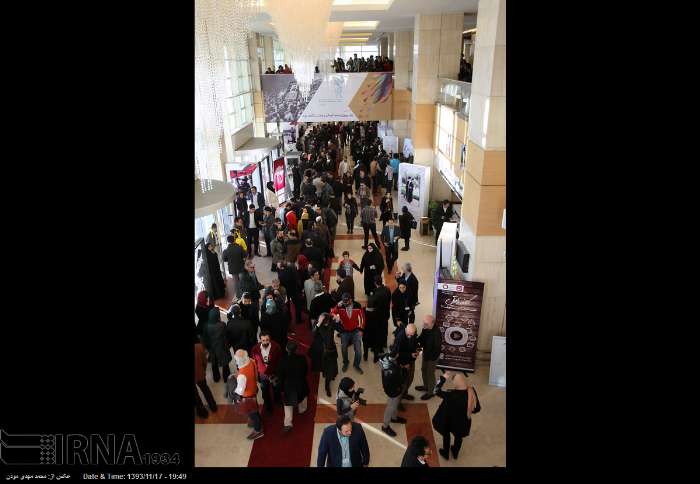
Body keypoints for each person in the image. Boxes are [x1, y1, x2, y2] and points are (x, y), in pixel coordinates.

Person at [432, 372, 481, 460]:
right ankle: (455, 452)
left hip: (447, 420)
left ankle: (445, 453)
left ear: (456, 384)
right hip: (462, 422)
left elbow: (435, 390)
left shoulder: (450, 395)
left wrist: (442, 378)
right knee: (458, 436)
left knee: (446, 435)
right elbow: (477, 409)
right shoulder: (471, 391)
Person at [229, 350, 264, 440]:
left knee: (252, 413)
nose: (236, 361)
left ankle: (258, 430)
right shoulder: (251, 361)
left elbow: (240, 390)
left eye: (236, 360)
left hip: (247, 396)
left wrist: (236, 398)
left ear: (240, 360)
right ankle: (258, 421)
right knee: (255, 408)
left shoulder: (242, 375)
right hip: (254, 389)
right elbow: (256, 374)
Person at [275, 341, 308, 432]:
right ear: (296, 349)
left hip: (288, 386)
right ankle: (302, 409)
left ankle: (288, 422)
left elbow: (280, 376)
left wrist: (280, 388)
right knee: (302, 397)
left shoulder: (282, 361)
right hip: (301, 383)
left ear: (286, 349)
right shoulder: (302, 358)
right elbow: (305, 370)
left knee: (288, 404)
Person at [330, 292, 365, 374]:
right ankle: (346, 362)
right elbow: (331, 313)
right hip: (344, 331)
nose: (345, 303)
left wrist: (361, 330)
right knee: (343, 349)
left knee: (359, 350)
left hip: (356, 331)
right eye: (343, 302)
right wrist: (336, 307)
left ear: (351, 300)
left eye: (346, 302)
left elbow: (362, 318)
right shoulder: (340, 306)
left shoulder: (357, 305)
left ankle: (356, 365)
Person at [251, 331, 283, 415]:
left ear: (270, 339)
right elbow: (254, 362)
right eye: (263, 340)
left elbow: (280, 360)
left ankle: (277, 401)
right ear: (260, 340)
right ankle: (268, 406)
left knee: (276, 389)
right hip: (263, 375)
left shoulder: (276, 347)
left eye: (267, 340)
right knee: (265, 392)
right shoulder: (255, 349)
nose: (265, 342)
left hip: (274, 373)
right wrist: (256, 375)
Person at [310, 312, 339, 397]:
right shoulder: (318, 325)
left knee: (332, 367)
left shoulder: (331, 323)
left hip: (331, 349)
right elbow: (313, 334)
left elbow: (341, 329)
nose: (327, 324)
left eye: (328, 322)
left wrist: (338, 321)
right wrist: (319, 323)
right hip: (323, 351)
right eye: (325, 322)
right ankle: (327, 386)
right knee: (327, 370)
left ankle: (330, 377)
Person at [389, 323, 419, 402]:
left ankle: (404, 394)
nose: (411, 337)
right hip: (403, 364)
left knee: (409, 380)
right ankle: (398, 402)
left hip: (410, 361)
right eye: (409, 335)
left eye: (412, 335)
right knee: (402, 383)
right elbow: (398, 354)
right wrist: (404, 363)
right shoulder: (399, 338)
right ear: (406, 330)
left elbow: (414, 342)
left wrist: (416, 350)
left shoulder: (412, 333)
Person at [379, 353, 407, 437]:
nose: (399, 355)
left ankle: (394, 418)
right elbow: (401, 380)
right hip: (393, 391)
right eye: (397, 354)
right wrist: (404, 370)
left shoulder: (385, 359)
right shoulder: (393, 370)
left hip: (390, 388)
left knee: (395, 404)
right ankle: (385, 426)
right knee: (390, 407)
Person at [201, 307, 231, 383]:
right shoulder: (222, 325)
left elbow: (204, 339)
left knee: (214, 364)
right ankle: (226, 378)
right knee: (225, 364)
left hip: (212, 349)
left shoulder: (206, 326)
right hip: (222, 348)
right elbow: (226, 336)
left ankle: (216, 378)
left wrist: (208, 347)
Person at [416, 315, 442, 400]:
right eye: (424, 323)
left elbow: (437, 349)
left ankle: (431, 392)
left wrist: (430, 359)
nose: (424, 325)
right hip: (426, 354)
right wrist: (416, 343)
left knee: (430, 373)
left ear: (432, 323)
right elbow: (421, 338)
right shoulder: (425, 328)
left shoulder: (437, 333)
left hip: (433, 357)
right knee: (423, 369)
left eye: (426, 324)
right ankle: (426, 386)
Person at [365, 275, 390, 361]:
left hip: (377, 317)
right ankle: (384, 344)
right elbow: (389, 301)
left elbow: (370, 307)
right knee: (384, 329)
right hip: (386, 315)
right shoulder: (387, 290)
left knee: (378, 332)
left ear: (375, 283)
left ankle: (378, 347)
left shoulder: (375, 295)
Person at [195, 335, 217, 419]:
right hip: (200, 373)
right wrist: (203, 370)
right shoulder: (199, 347)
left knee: (195, 395)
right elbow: (205, 361)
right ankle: (213, 406)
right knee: (205, 389)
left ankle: (202, 412)